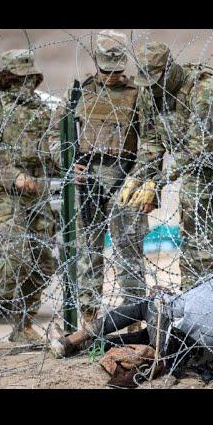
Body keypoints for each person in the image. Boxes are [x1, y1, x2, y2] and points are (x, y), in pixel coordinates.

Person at [118, 41, 213, 291]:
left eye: (157, 80)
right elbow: (151, 142)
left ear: (170, 69)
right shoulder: (149, 93)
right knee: (195, 253)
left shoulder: (203, 89)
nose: (153, 88)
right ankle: (198, 313)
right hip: (197, 172)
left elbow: (199, 143)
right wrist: (139, 178)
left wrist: (158, 180)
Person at [48, 232, 213, 369]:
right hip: (185, 354)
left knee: (147, 306)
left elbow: (182, 306)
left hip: (168, 338)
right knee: (142, 336)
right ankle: (88, 348)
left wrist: (163, 296)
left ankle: (73, 340)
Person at [51, 30, 147, 331]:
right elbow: (55, 134)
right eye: (107, 71)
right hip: (88, 181)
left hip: (126, 180)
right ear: (97, 64)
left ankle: (133, 319)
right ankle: (89, 321)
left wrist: (141, 177)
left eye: (117, 71)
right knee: (88, 254)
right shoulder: (78, 93)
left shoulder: (138, 94)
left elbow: (152, 141)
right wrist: (67, 163)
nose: (111, 78)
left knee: (129, 252)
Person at [0, 49, 57, 343]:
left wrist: (63, 160)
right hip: (4, 193)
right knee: (16, 251)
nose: (25, 84)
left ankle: (24, 324)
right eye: (19, 78)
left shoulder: (42, 111)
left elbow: (50, 153)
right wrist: (14, 176)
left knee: (43, 260)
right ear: (9, 78)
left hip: (36, 193)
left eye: (29, 78)